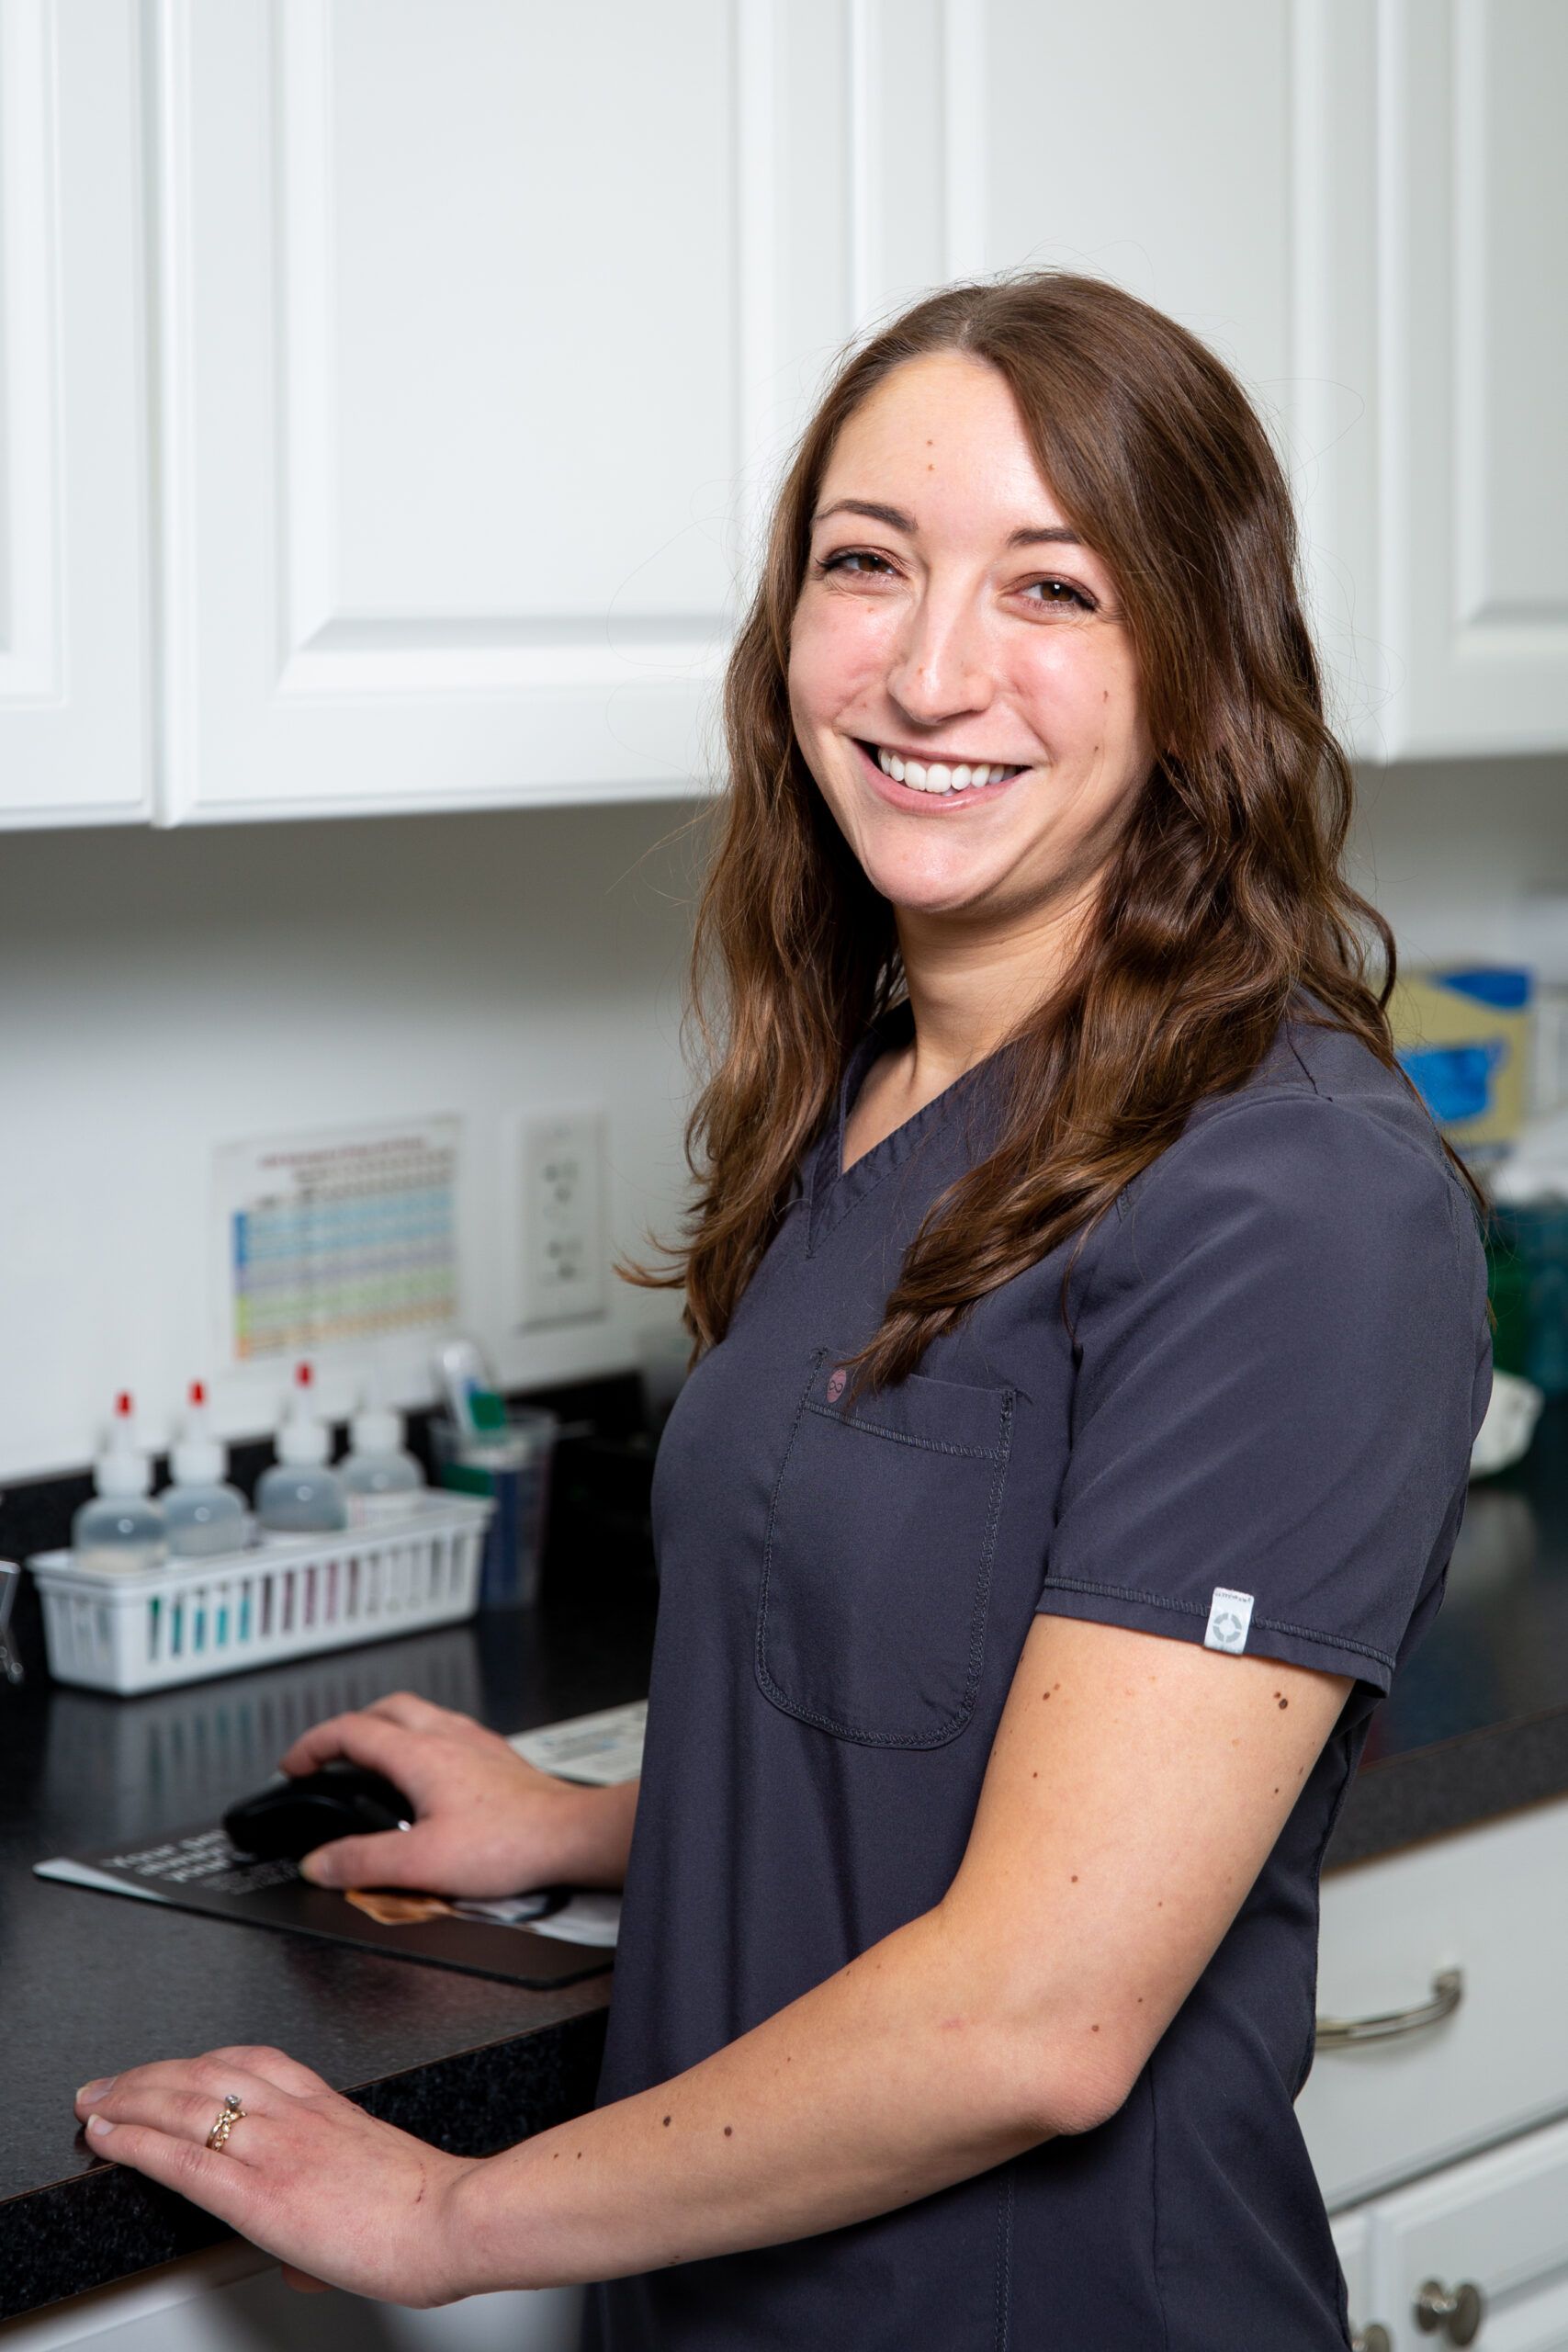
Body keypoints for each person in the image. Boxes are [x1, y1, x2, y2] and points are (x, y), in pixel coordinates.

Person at [73, 273, 1491, 2349]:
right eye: (866, 564)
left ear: (1200, 676)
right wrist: (573, 1825)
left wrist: (446, 2214)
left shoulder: (1294, 1197)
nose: (928, 670)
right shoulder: (871, 1088)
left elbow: (1038, 2013)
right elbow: (926, 1716)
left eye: (1053, 590)